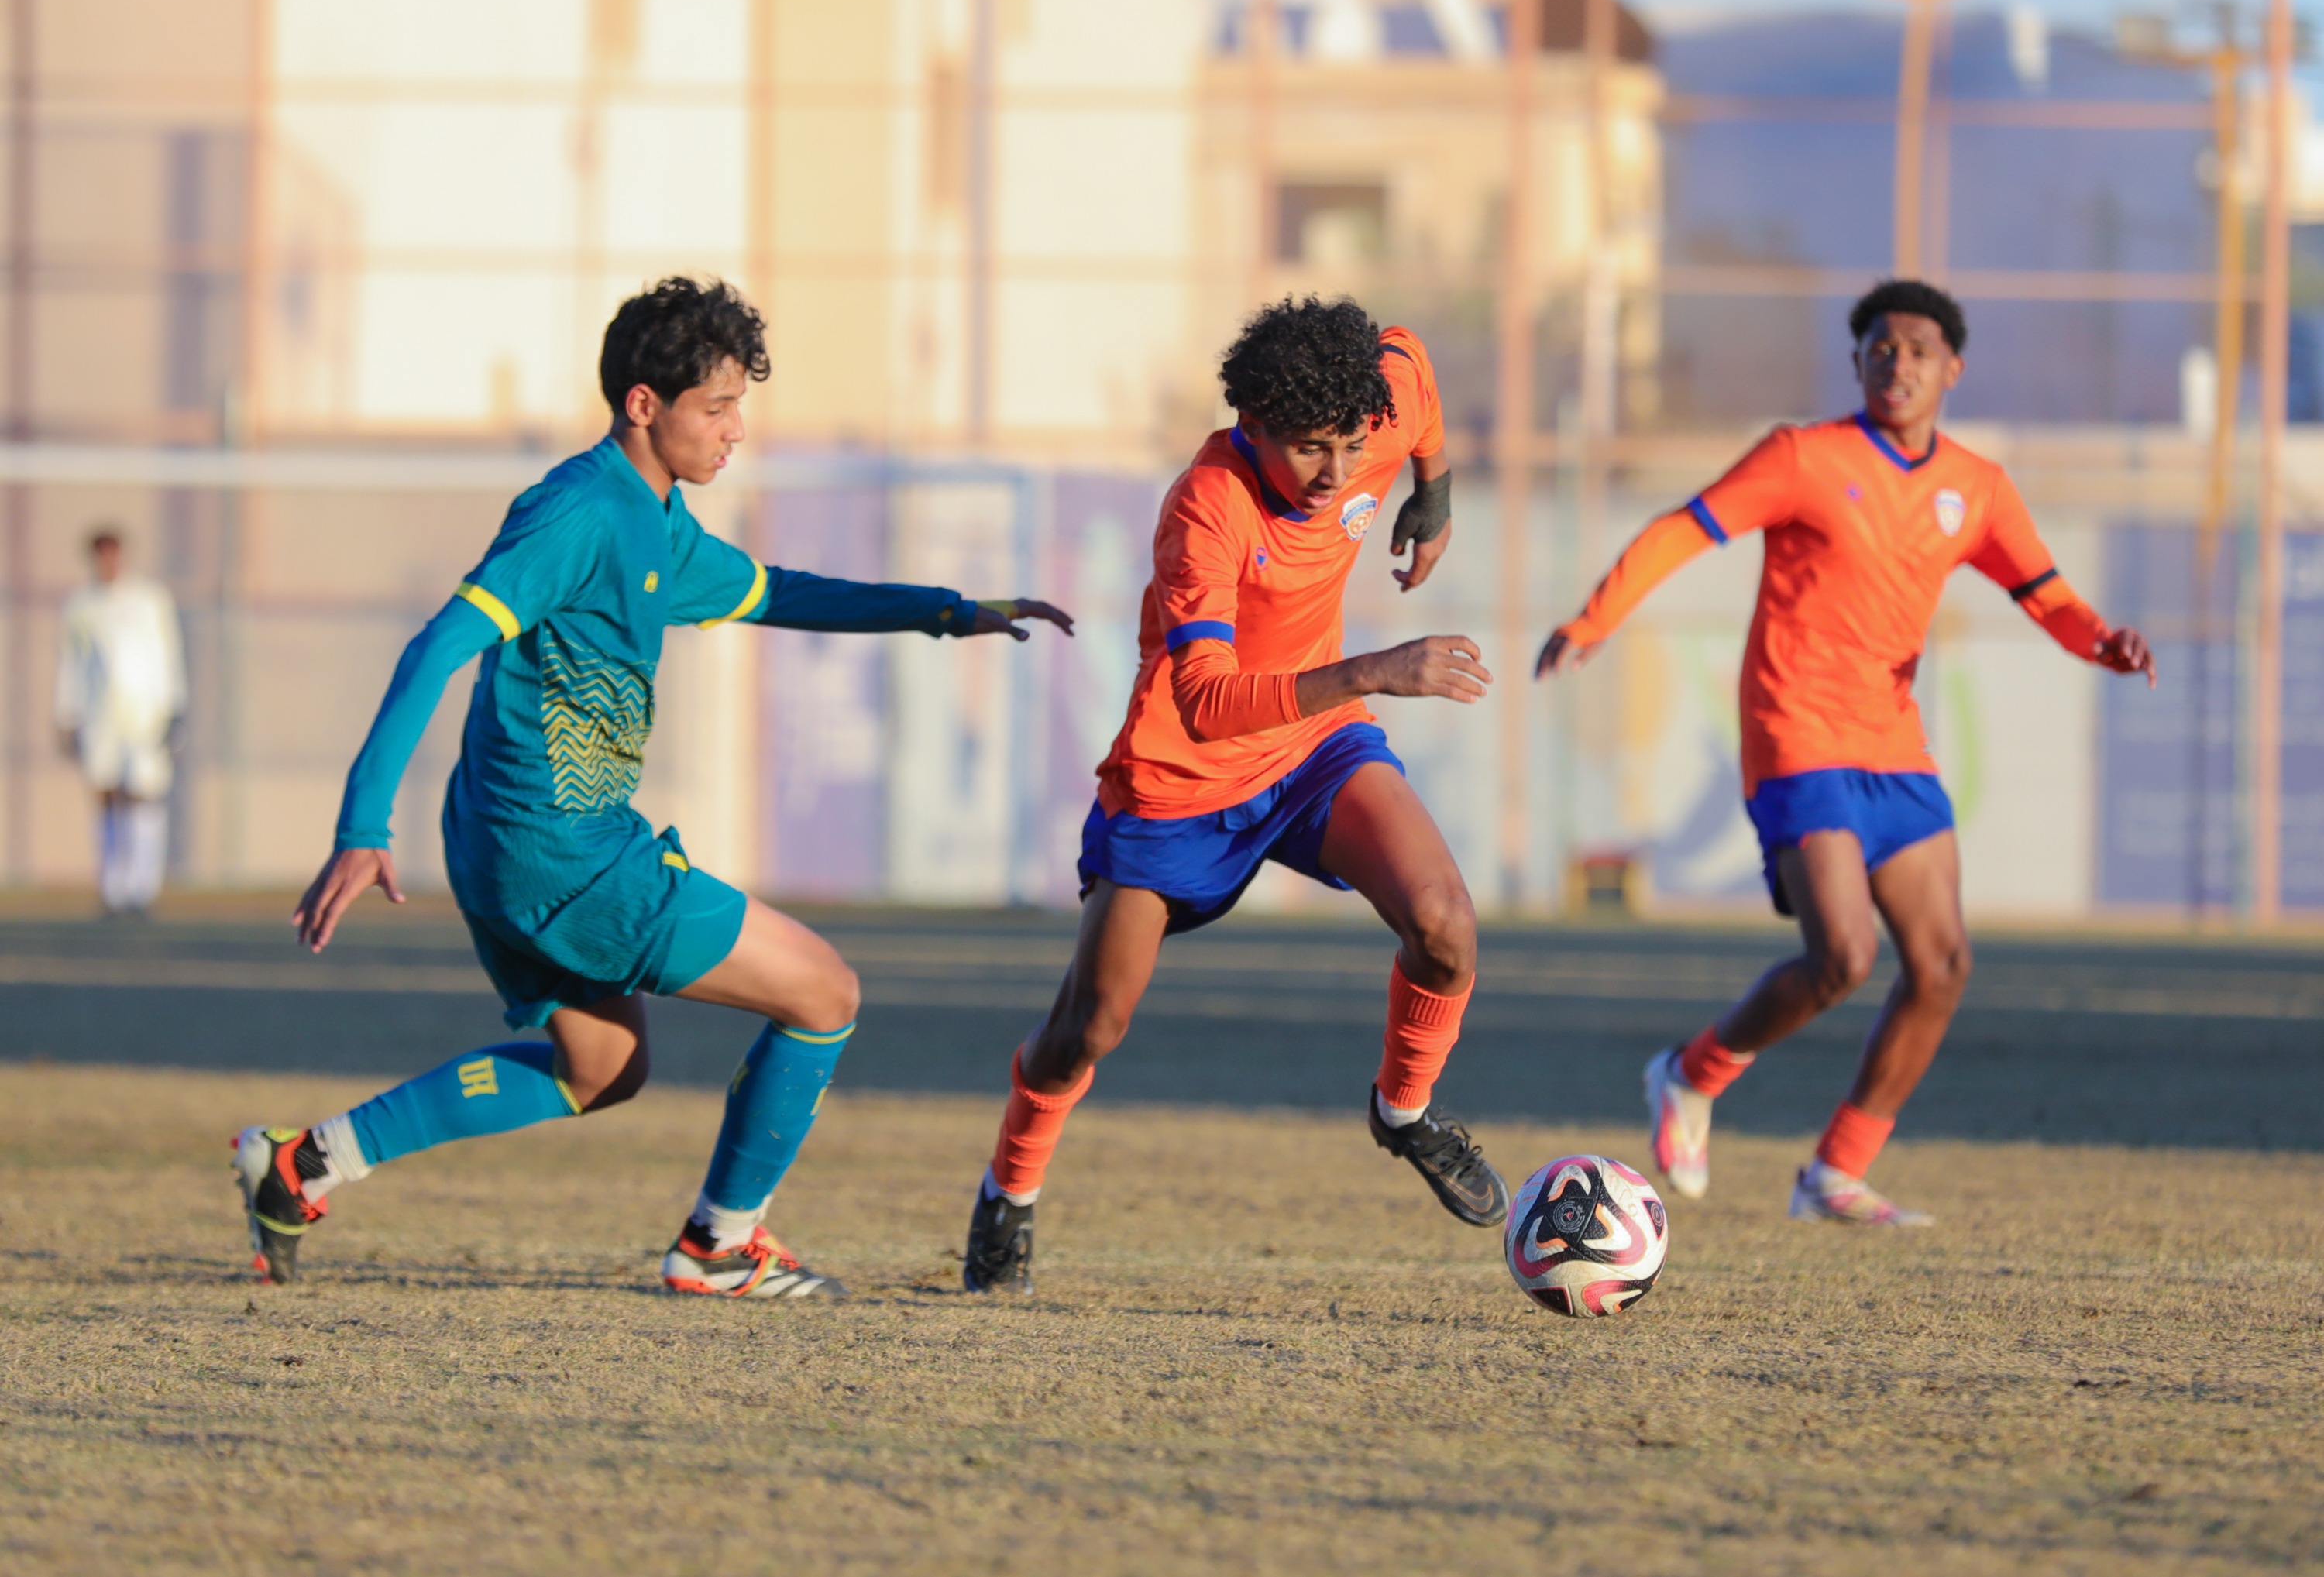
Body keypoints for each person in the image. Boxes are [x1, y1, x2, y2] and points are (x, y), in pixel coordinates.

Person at [236, 275, 1071, 1294]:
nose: (737, 431)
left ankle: (306, 1162)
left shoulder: (656, 521)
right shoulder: (578, 510)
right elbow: (437, 644)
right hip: (567, 853)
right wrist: (363, 825)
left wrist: (944, 610)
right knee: (824, 992)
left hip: (517, 843)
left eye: (740, 407)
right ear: (645, 405)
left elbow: (780, 593)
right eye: (717, 408)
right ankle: (720, 1243)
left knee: (601, 1068)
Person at [1535, 278, 2156, 1226]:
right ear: (1858, 360)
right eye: (1879, 345)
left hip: (1893, 744)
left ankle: (1834, 1171)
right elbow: (1684, 528)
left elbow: (2045, 590)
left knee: (1943, 963)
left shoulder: (1977, 488)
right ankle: (1692, 1074)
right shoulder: (1803, 457)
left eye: (1916, 348)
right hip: (1796, 730)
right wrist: (1597, 615)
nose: (1896, 361)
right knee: (1845, 954)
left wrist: (2100, 638)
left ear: (1953, 368)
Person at [958, 294, 1504, 1296]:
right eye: (1307, 450)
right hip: (1179, 779)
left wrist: (1436, 494)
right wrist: (1374, 668)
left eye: (1351, 446)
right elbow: (1207, 702)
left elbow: (1415, 373)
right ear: (1251, 423)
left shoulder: (1380, 402)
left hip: (1314, 748)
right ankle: (1010, 1190)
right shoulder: (1206, 507)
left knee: (1446, 923)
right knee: (1091, 1028)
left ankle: (1405, 1112)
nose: (1336, 473)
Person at [56, 529, 187, 916]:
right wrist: (66, 714)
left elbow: (170, 655)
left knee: (144, 793)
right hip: (101, 717)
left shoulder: (150, 600)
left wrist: (175, 708)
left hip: (146, 714)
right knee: (107, 794)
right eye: (101, 555)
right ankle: (113, 887)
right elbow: (72, 664)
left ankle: (142, 888)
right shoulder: (80, 606)